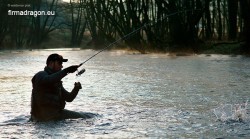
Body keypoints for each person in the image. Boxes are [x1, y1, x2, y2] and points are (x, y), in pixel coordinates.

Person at [31, 53, 89, 121]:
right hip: (44, 117)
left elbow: (69, 98)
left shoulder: (57, 81)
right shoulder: (40, 75)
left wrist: (76, 89)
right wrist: (67, 70)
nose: (61, 66)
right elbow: (49, 79)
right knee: (85, 118)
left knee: (85, 117)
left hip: (55, 115)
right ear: (51, 63)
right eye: (59, 63)